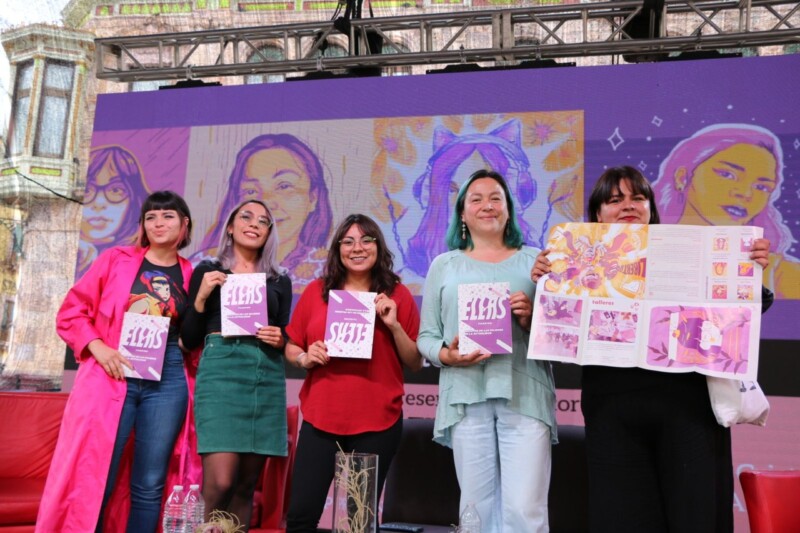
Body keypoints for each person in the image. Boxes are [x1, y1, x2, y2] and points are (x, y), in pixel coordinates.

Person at [531, 166, 774, 532]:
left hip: (687, 407)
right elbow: (556, 325)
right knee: (621, 518)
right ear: (598, 214)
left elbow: (752, 305)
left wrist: (747, 269)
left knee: (694, 516)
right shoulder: (575, 258)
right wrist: (546, 280)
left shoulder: (687, 252)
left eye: (638, 197)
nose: (628, 205)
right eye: (615, 200)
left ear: (650, 208)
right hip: (613, 411)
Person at [38, 191, 195, 532]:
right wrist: (98, 346)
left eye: (167, 216)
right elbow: (72, 312)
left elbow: (191, 334)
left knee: (150, 482)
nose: (158, 223)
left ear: (184, 224)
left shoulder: (191, 273)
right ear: (142, 226)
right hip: (112, 371)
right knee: (96, 474)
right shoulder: (115, 259)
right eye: (151, 217)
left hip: (167, 377)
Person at [417, 169, 557, 533]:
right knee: (475, 510)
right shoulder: (443, 265)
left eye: (496, 198)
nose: (487, 205)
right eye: (476, 199)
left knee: (524, 508)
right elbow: (427, 337)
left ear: (509, 209)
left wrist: (531, 318)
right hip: (465, 394)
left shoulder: (537, 263)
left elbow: (560, 334)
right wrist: (447, 355)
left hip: (524, 393)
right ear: (462, 213)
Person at [284, 214, 422, 532]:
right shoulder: (316, 291)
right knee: (301, 514)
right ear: (338, 250)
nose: (357, 248)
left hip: (377, 419)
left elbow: (415, 361)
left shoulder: (398, 295)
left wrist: (393, 325)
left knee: (359, 520)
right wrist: (305, 356)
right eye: (348, 242)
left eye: (366, 240)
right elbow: (292, 346)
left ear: (378, 246)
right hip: (322, 417)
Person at [180, 200, 292, 529]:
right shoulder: (208, 270)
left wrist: (281, 338)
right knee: (221, 482)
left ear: (269, 232)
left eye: (263, 220)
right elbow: (188, 339)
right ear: (230, 226)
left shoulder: (279, 280)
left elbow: (285, 333)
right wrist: (201, 296)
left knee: (245, 486)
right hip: (221, 376)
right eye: (246, 216)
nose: (254, 223)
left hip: (264, 375)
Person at [652, 123, 798, 298]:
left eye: (761, 187)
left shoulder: (782, 274)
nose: (745, 194)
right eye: (727, 174)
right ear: (682, 177)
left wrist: (762, 285)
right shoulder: (637, 255)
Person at [194, 133, 333, 286]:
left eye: (284, 186)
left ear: (313, 198)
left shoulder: (331, 268)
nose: (266, 203)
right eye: (251, 191)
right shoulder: (202, 264)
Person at [77, 145, 152, 279]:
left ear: (133, 201)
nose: (99, 203)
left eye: (116, 190)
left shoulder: (144, 262)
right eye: (87, 190)